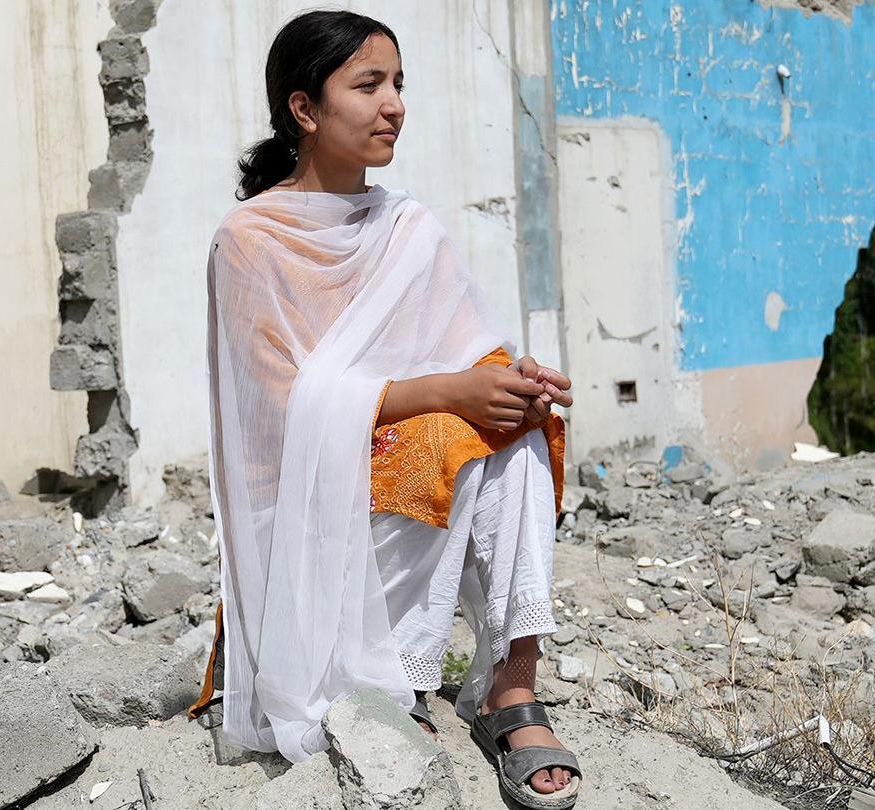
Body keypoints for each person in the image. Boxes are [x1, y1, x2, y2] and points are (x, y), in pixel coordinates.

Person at [188, 10, 585, 807]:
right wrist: (447, 393)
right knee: (448, 429)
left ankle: (513, 684)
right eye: (367, 85)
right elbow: (280, 408)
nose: (393, 104)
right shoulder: (250, 241)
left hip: (405, 471)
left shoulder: (408, 229)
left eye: (398, 83)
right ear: (305, 109)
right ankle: (384, 689)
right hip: (305, 508)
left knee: (515, 428)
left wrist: (515, 381)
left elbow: (467, 349)